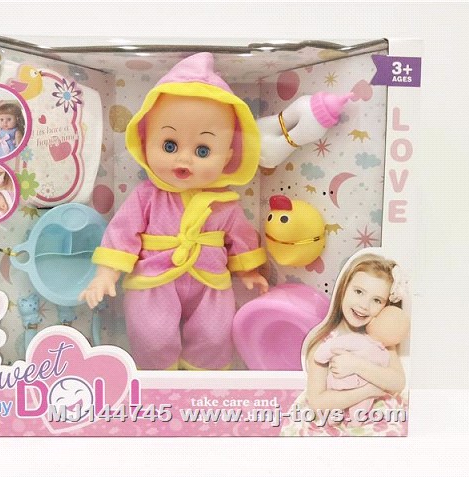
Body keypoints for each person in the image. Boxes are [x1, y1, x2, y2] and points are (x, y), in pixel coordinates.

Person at [79, 52, 268, 371]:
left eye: (203, 150)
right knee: (152, 334)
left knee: (214, 333)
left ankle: (203, 379)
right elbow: (122, 233)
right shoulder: (146, 196)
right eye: (169, 145)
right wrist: (106, 273)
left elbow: (241, 238)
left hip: (210, 282)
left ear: (227, 156)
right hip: (153, 279)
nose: (184, 159)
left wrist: (248, 271)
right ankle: (158, 379)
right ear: (145, 141)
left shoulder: (225, 203)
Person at [281, 253, 409, 436]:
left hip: (372, 416)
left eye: (377, 300)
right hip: (330, 416)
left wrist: (356, 365)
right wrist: (368, 391)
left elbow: (397, 382)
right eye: (359, 292)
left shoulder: (380, 340)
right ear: (344, 289)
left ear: (386, 306)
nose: (364, 305)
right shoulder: (325, 342)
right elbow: (317, 401)